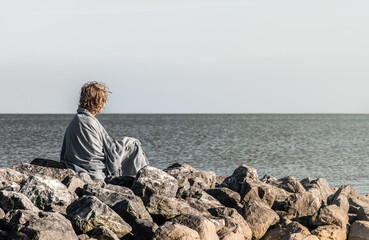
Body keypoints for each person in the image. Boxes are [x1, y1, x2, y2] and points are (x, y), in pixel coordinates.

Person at [60, 81, 149, 180]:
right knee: (133, 145)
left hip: (78, 167)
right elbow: (96, 156)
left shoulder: (78, 119)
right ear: (97, 102)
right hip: (94, 172)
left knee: (127, 143)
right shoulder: (88, 121)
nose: (104, 104)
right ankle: (143, 179)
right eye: (103, 100)